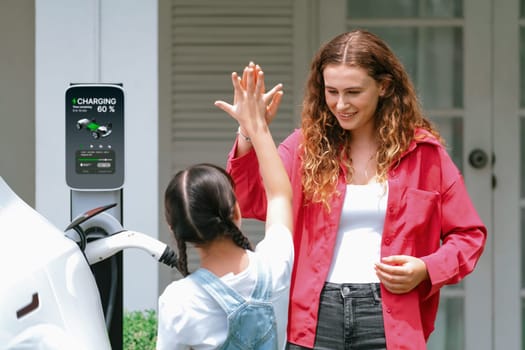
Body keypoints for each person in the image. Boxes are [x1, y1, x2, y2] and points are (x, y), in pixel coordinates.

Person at [226, 30, 487, 349]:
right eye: (331, 91)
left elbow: (469, 236)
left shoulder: (424, 155)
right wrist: (248, 132)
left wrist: (426, 269)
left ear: (384, 86)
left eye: (353, 92)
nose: (340, 104)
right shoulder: (304, 149)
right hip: (312, 314)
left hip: (389, 316)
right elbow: (248, 200)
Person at [156, 65, 293, 349]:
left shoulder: (179, 301)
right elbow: (279, 195)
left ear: (175, 229)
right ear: (236, 211)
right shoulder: (275, 265)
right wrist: (255, 128)